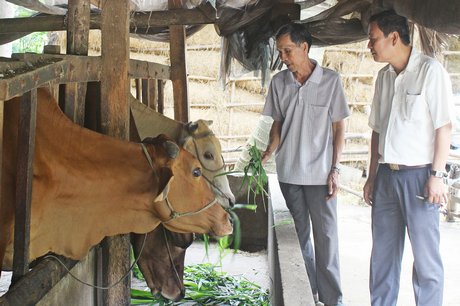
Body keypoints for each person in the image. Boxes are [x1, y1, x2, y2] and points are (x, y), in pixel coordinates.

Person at [363, 10, 453, 306]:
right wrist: (372, 176)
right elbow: (377, 130)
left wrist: (437, 177)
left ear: (393, 37)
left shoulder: (431, 71)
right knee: (383, 258)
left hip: (420, 178)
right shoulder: (384, 78)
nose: (369, 45)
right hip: (387, 177)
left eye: (373, 39)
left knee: (426, 262)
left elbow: (444, 127)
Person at [261, 22, 350, 306]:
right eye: (280, 52)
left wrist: (335, 169)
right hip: (289, 174)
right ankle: (305, 295)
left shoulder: (330, 81)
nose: (283, 58)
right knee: (297, 239)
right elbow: (278, 126)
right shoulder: (279, 83)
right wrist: (268, 151)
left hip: (321, 176)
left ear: (304, 47)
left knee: (326, 240)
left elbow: (339, 130)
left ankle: (332, 299)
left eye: (287, 51)